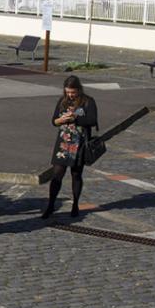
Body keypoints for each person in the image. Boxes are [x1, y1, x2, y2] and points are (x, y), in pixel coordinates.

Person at [42, 76, 98, 219]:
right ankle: (51, 205)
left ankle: (75, 204)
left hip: (79, 143)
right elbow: (54, 121)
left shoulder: (88, 101)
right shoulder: (63, 101)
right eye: (68, 92)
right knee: (57, 174)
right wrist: (60, 120)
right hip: (63, 143)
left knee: (76, 174)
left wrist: (75, 118)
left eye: (73, 92)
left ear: (79, 89)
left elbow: (92, 120)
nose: (70, 95)